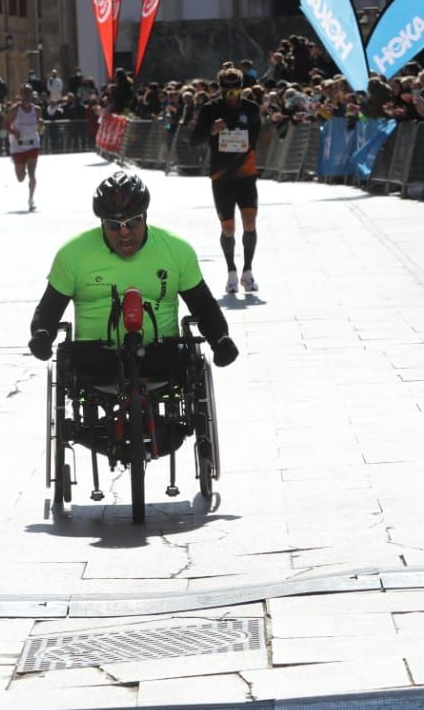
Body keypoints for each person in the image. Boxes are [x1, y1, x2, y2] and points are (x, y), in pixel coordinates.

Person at [26, 172, 239, 457]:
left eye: (132, 223)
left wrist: (220, 338)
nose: (124, 232)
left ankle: (166, 432)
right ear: (101, 223)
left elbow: (202, 303)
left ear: (145, 217)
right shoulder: (72, 255)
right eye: (113, 226)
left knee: (181, 357)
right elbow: (49, 308)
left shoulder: (176, 251)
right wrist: (42, 334)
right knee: (80, 360)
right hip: (96, 362)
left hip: (161, 358)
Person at [190, 67, 263, 294]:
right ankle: (231, 271)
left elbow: (257, 136)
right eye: (227, 90)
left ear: (242, 88)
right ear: (221, 89)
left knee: (250, 221)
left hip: (246, 174)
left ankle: (247, 272)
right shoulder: (210, 109)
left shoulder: (250, 109)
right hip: (221, 176)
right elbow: (194, 139)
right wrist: (212, 130)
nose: (231, 94)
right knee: (228, 228)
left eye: (235, 89)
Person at [7, 83, 43, 211]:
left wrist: (41, 125)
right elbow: (5, 124)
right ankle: (21, 167)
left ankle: (31, 200)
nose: (27, 95)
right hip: (17, 147)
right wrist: (14, 132)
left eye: (29, 92)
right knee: (21, 178)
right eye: (24, 93)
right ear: (20, 95)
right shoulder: (15, 110)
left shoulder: (37, 110)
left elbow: (41, 130)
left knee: (32, 174)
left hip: (33, 144)